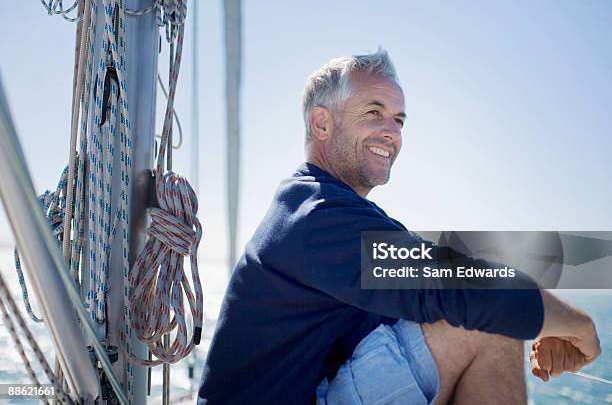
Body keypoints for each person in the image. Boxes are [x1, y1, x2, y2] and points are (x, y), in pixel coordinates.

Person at [197, 49, 600, 404]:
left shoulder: (338, 212)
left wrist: (536, 316)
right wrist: (576, 325)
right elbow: (451, 284)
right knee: (486, 324)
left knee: (486, 311)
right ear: (321, 124)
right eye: (374, 113)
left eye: (399, 120)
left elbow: (439, 270)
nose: (392, 132)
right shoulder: (315, 216)